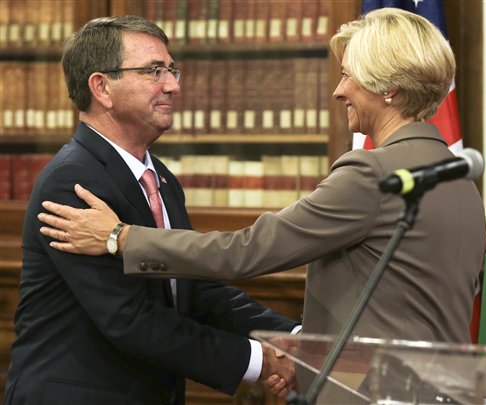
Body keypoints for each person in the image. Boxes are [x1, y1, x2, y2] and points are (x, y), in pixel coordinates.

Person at [38, 8, 486, 401]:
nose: (338, 90)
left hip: (371, 392)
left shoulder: (374, 175)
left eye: (349, 74)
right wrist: (292, 342)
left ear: (387, 87)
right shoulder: (460, 181)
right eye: (155, 71)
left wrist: (119, 237)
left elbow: (244, 252)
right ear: (101, 86)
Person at [3, 15, 300, 405]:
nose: (173, 85)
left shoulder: (159, 177)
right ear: (102, 87)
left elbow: (198, 290)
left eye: (172, 69)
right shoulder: (73, 180)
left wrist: (294, 340)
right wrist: (260, 361)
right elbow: (129, 319)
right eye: (154, 71)